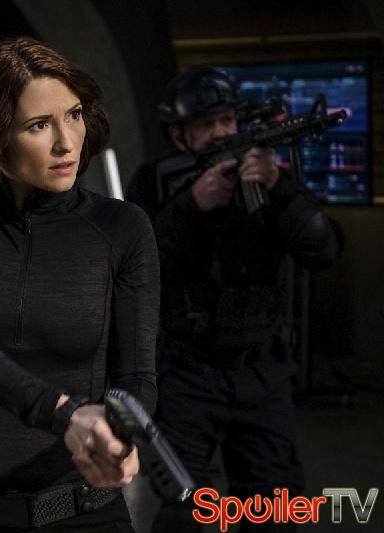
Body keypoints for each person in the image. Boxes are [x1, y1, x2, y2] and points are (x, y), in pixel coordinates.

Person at [0, 37, 160, 532]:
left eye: (74, 115)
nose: (67, 143)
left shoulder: (122, 227)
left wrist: (121, 432)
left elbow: (137, 377)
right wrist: (64, 415)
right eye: (39, 125)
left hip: (81, 516)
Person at [125, 68, 341, 532]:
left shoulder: (270, 178)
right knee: (183, 505)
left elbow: (323, 249)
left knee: (273, 507)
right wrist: (191, 206)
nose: (221, 133)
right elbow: (137, 266)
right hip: (185, 371)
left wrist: (277, 186)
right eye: (206, 125)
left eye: (227, 120)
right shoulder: (154, 181)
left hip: (261, 368)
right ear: (179, 136)